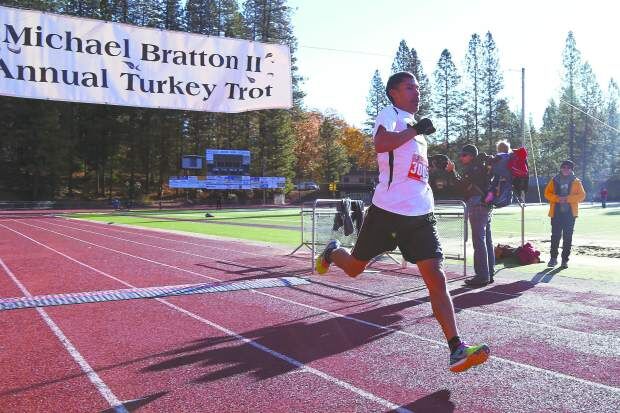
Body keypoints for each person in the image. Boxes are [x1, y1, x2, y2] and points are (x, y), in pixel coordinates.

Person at [315, 71, 490, 373]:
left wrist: (429, 160)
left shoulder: (417, 132)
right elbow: (381, 144)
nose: (416, 92)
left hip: (420, 213)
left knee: (436, 277)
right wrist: (413, 131)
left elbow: (408, 165)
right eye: (409, 87)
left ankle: (456, 348)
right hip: (387, 211)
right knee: (356, 268)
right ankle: (333, 252)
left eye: (418, 88)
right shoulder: (391, 114)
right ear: (393, 92)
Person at [446, 145, 495, 286]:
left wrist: (452, 172)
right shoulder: (483, 167)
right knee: (487, 241)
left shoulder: (473, 168)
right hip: (486, 204)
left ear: (471, 156)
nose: (461, 157)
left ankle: (481, 276)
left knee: (479, 241)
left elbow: (461, 185)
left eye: (463, 155)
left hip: (477, 204)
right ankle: (489, 273)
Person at [544, 160, 586, 268]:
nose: (565, 169)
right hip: (556, 212)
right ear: (561, 168)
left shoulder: (577, 181)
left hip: (570, 214)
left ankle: (564, 260)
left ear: (571, 169)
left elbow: (582, 195)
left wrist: (568, 199)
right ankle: (553, 259)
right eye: (563, 167)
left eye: (568, 167)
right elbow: (547, 193)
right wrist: (557, 198)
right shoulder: (554, 180)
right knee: (555, 236)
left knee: (568, 237)